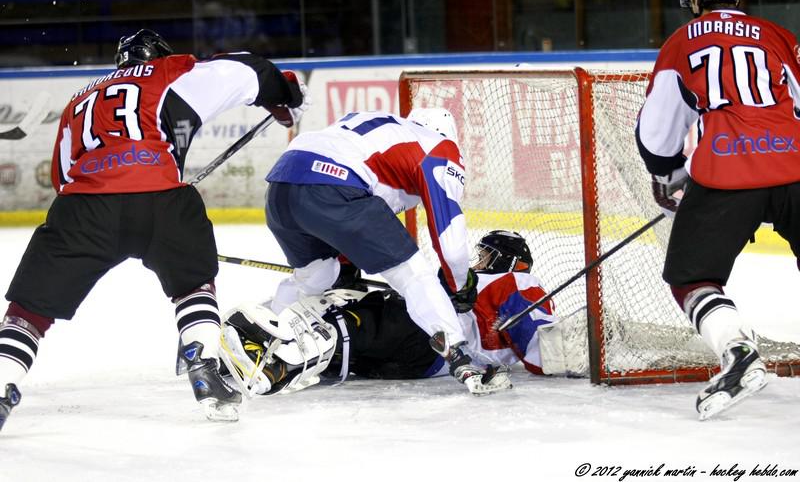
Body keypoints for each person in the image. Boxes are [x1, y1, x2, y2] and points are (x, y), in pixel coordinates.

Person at [0, 29, 308, 429]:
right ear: (161, 54)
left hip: (84, 207)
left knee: (28, 313)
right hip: (162, 200)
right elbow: (246, 68)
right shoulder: (170, 72)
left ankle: (3, 382)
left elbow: (62, 178)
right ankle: (203, 363)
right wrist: (285, 95)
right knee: (193, 285)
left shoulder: (78, 100)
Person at [635, 0, 800, 420]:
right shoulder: (778, 36)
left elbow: (657, 131)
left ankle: (738, 353)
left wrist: (668, 173)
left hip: (729, 172)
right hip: (797, 165)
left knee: (692, 278)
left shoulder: (681, 41)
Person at [262, 109, 508, 395]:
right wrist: (460, 284)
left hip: (281, 186)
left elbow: (349, 201)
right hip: (333, 186)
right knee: (414, 275)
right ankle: (458, 355)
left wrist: (345, 263)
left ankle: (267, 336)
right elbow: (450, 239)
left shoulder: (385, 130)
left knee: (316, 278)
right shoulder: (439, 148)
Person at [218, 230, 554, 395]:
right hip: (422, 363)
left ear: (508, 261)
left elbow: (540, 351)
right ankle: (256, 357)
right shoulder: (490, 285)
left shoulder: (517, 280)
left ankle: (269, 356)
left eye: (486, 257)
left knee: (342, 317)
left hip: (424, 336)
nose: (477, 263)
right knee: (347, 346)